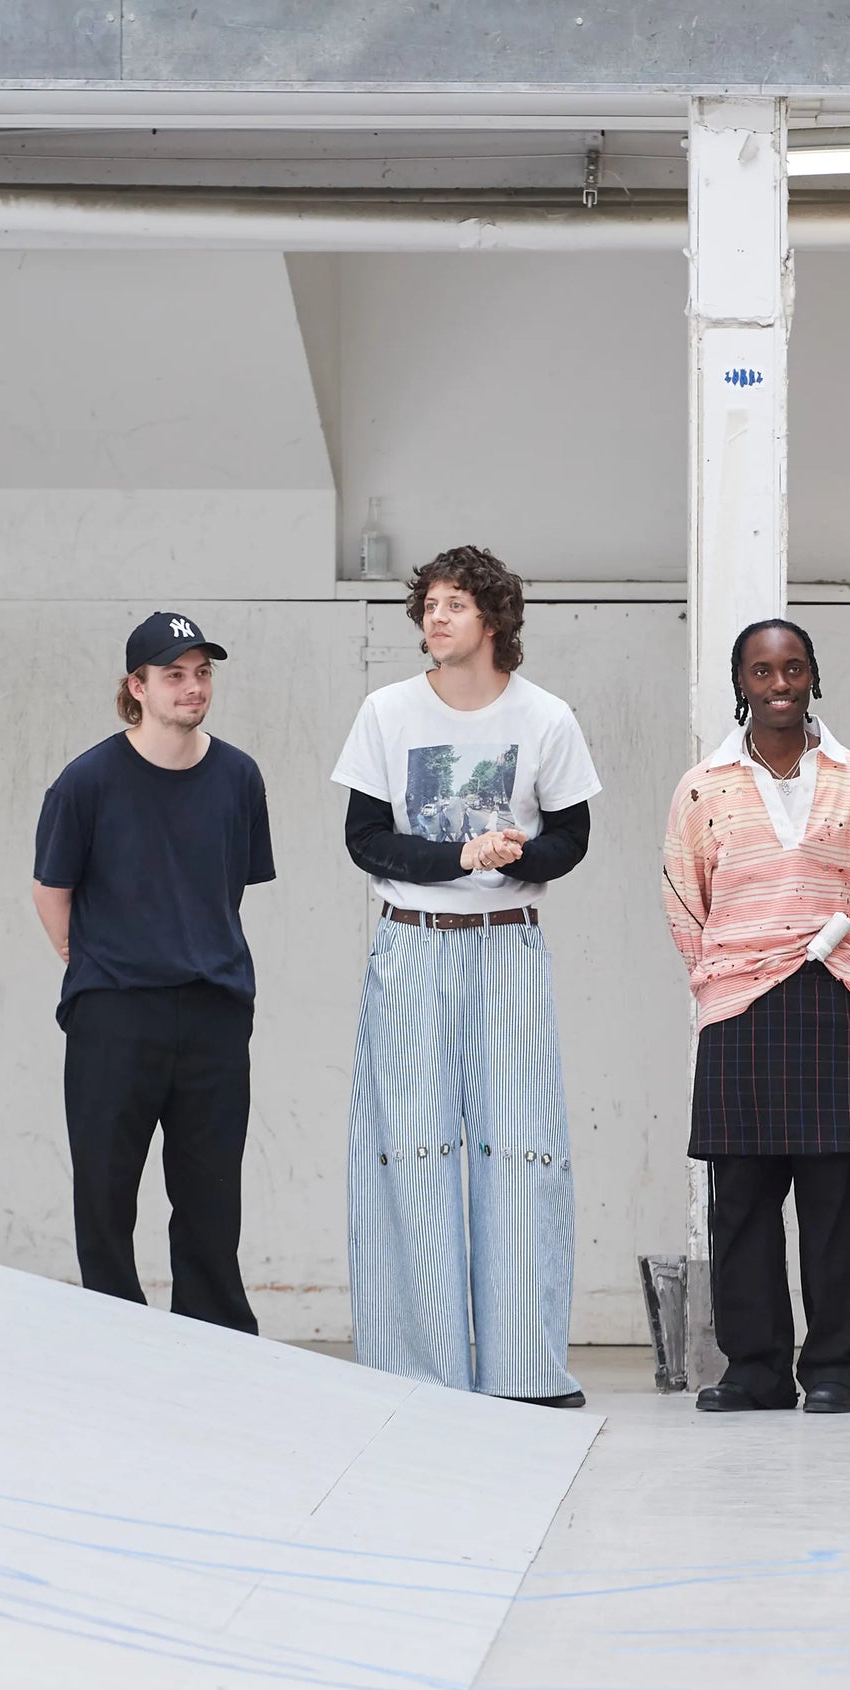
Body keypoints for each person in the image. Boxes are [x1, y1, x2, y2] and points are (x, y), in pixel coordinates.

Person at [331, 544, 600, 1406]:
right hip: (411, 941)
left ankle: (526, 1371)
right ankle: (415, 1371)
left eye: (454, 603)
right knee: (405, 1147)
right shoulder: (387, 710)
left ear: (493, 618)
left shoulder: (544, 716)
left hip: (506, 942)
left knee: (523, 1150)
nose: (436, 617)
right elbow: (365, 838)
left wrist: (517, 853)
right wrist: (460, 854)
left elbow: (572, 836)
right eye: (429, 603)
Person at [663, 619, 850, 1414]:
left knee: (836, 1201)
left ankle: (840, 1368)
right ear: (741, 683)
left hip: (827, 994)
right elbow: (684, 901)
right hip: (735, 1004)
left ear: (813, 675)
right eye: (761, 671)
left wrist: (812, 956)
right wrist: (731, 972)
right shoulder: (702, 786)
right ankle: (754, 1368)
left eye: (793, 667)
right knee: (742, 1200)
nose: (779, 683)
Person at [31, 612, 274, 1331]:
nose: (193, 687)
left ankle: (216, 1340)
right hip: (114, 1011)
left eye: (202, 673)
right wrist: (92, 957)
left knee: (210, 1195)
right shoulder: (87, 781)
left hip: (214, 1010)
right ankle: (116, 1339)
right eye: (174, 674)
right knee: (105, 1192)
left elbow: (227, 885)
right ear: (137, 687)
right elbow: (51, 890)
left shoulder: (238, 775)